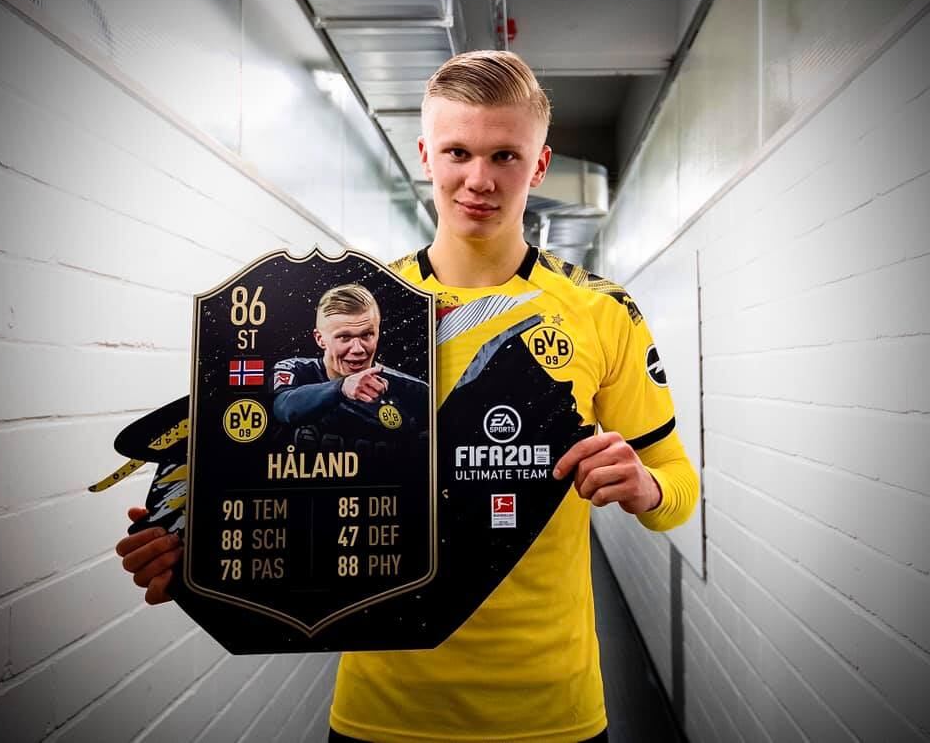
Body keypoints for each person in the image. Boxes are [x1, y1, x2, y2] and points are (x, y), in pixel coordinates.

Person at [116, 50, 699, 742]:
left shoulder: (601, 311)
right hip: (380, 711)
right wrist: (193, 550)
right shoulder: (364, 308)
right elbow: (276, 478)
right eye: (458, 152)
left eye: (505, 156)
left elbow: (678, 488)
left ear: (539, 165)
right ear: (426, 155)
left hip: (553, 709)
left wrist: (646, 489)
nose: (479, 179)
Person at [270, 283, 428, 459]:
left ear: (377, 333)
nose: (358, 349)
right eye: (344, 337)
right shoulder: (295, 370)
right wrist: (341, 387)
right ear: (320, 339)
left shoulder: (414, 391)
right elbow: (283, 407)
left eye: (367, 335)